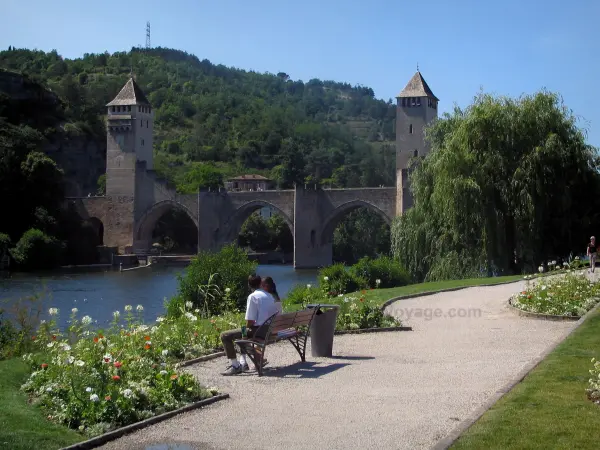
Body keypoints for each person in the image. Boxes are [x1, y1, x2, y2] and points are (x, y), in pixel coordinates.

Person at [220, 274, 279, 376]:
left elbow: (250, 321)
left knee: (225, 335)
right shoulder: (270, 296)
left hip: (259, 332)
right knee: (243, 331)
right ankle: (243, 362)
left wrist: (245, 332)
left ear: (249, 285)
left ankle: (235, 366)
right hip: (270, 330)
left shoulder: (253, 297)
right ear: (260, 283)